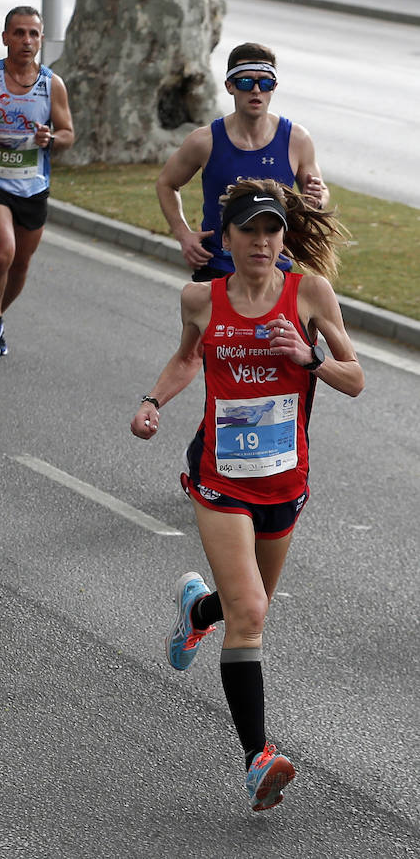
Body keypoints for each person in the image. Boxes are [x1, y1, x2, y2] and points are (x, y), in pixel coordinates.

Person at [131, 177, 364, 811]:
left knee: (244, 609)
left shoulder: (310, 293)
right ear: (226, 236)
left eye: (272, 230)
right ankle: (257, 759)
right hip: (221, 478)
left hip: (285, 484)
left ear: (283, 236)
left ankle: (195, 613)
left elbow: (356, 378)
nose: (262, 242)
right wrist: (154, 401)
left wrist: (309, 358)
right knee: (253, 614)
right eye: (249, 230)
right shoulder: (200, 299)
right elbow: (187, 359)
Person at [0, 6, 74, 361]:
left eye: (33, 34)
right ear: (5, 37)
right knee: (1, 253)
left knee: (20, 264)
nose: (26, 40)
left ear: (40, 40)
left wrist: (50, 139)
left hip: (33, 186)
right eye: (19, 33)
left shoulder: (51, 84)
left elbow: (68, 133)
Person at [156, 42, 329, 281]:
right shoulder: (204, 141)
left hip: (274, 271)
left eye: (265, 83)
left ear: (274, 87)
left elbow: (318, 193)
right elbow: (166, 183)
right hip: (218, 269)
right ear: (230, 86)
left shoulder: (297, 139)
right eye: (246, 82)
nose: (256, 90)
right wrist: (183, 234)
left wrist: (317, 198)